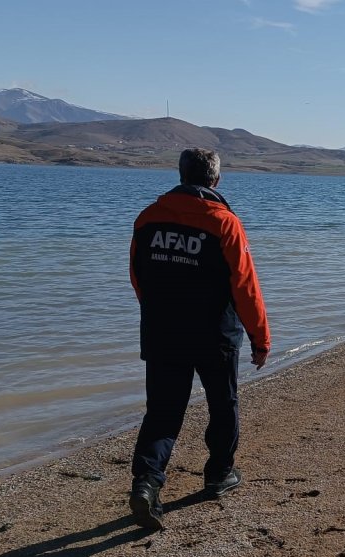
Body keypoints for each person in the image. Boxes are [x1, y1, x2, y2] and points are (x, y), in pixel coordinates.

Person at [128, 148, 271, 529]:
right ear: (216, 180)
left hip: (162, 331)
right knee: (223, 404)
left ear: (180, 174)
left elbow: (138, 277)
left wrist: (160, 313)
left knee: (162, 411)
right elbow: (246, 287)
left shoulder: (148, 218)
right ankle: (219, 473)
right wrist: (261, 338)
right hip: (215, 334)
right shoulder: (225, 223)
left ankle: (146, 482)